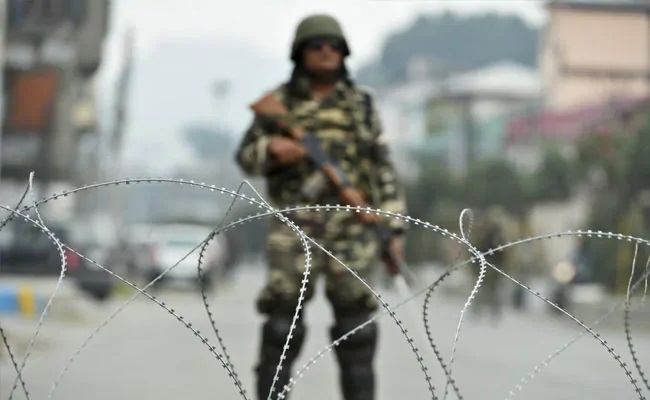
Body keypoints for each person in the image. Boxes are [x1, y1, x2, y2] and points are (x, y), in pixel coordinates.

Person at [234, 13, 407, 400]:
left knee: (357, 329)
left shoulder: (360, 104)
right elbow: (247, 156)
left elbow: (382, 168)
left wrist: (392, 228)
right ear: (300, 53)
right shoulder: (279, 103)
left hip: (351, 226)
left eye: (334, 46)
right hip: (296, 223)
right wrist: (276, 151)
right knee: (282, 324)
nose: (327, 52)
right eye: (317, 45)